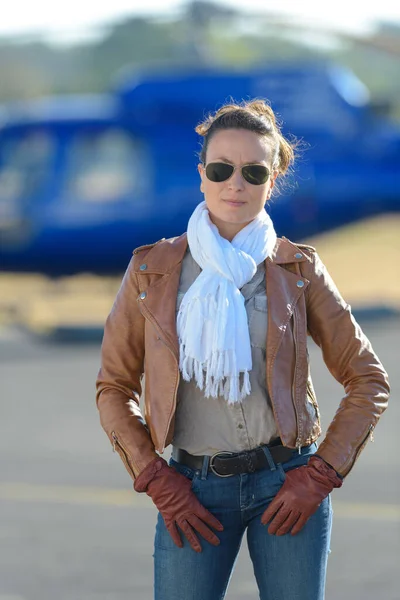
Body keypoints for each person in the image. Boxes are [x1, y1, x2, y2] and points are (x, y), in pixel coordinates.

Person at [95, 99, 390, 600]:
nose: (236, 183)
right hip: (192, 491)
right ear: (202, 175)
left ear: (272, 180)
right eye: (221, 168)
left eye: (253, 172)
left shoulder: (299, 269)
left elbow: (368, 380)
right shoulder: (151, 270)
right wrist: (156, 479)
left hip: (288, 486)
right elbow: (114, 386)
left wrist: (319, 475)